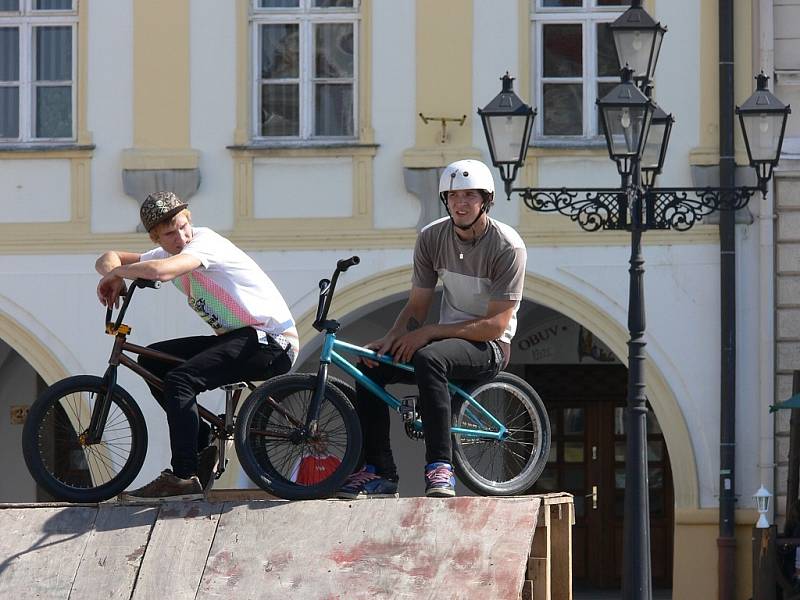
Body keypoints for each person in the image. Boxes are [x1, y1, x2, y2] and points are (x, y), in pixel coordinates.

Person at [337, 159, 526, 499]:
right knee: (369, 366)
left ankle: (440, 467)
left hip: (490, 345)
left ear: (486, 200)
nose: (461, 203)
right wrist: (393, 338)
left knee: (430, 358)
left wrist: (430, 333)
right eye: (453, 196)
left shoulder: (506, 246)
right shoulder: (431, 237)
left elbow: (496, 325)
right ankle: (379, 470)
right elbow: (417, 306)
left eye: (470, 195)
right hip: (442, 341)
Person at [95, 191, 298, 501]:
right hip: (239, 338)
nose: (180, 237)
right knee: (154, 363)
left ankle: (183, 476)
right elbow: (108, 256)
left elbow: (161, 272)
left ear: (189, 220)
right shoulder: (165, 254)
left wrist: (119, 273)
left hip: (269, 341)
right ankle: (202, 444)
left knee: (180, 380)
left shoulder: (204, 243)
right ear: (156, 238)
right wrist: (114, 272)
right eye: (169, 233)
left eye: (182, 226)